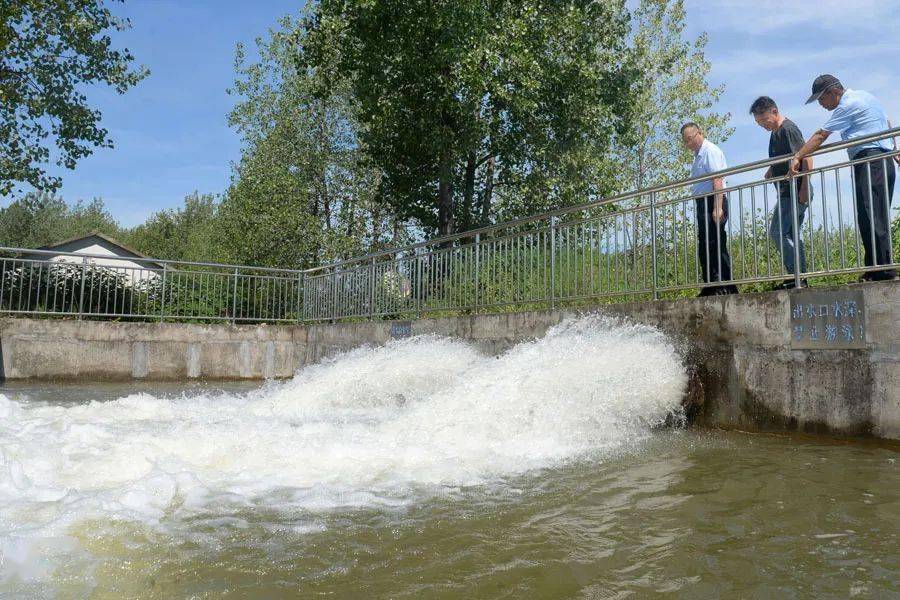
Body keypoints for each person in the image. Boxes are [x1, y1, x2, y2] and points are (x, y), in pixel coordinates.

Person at [790, 75, 897, 281]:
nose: (820, 104)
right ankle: (877, 269)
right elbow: (887, 121)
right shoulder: (866, 96)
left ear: (833, 92)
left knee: (871, 215)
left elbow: (821, 135)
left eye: (821, 99)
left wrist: (798, 156)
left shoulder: (847, 105)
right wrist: (893, 148)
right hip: (881, 160)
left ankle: (883, 272)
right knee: (874, 215)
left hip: (870, 160)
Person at [750, 96, 812, 289]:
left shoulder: (788, 129)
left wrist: (804, 188)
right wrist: (772, 169)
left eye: (763, 121)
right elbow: (786, 156)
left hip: (794, 190)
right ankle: (798, 277)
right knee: (792, 234)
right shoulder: (776, 133)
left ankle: (797, 276)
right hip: (787, 190)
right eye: (758, 123)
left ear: (774, 112)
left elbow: (806, 156)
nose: (762, 126)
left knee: (777, 232)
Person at [681, 122, 738, 296]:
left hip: (713, 200)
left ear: (699, 133)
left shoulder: (709, 151)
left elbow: (718, 178)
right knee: (705, 244)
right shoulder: (698, 155)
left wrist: (718, 207)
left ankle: (724, 284)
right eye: (686, 141)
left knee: (716, 242)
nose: (689, 143)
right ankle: (711, 284)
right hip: (703, 202)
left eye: (690, 139)